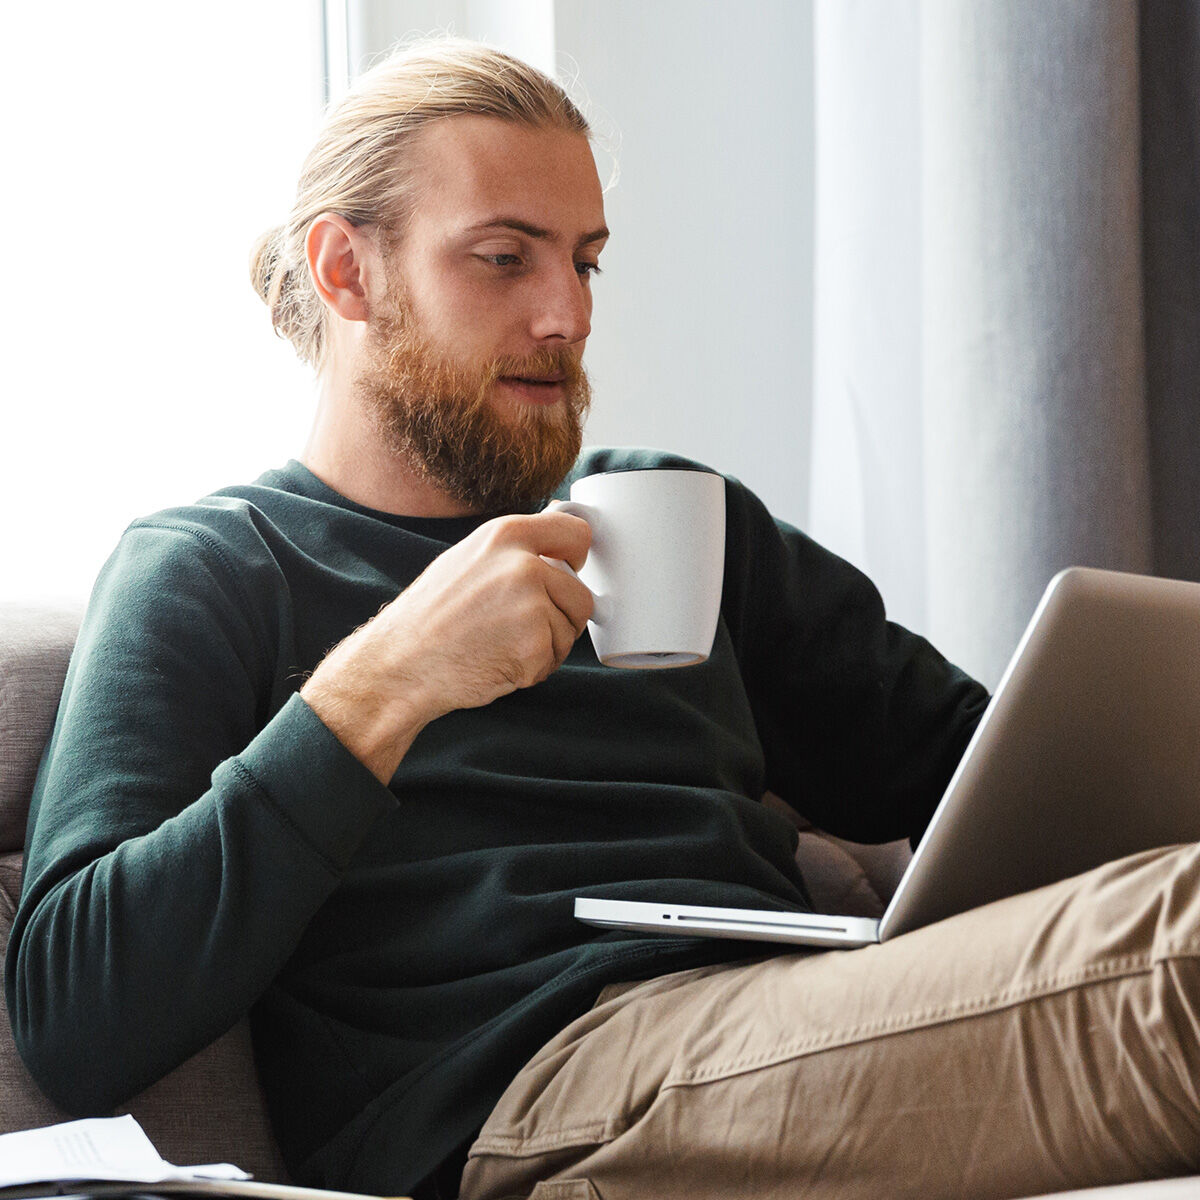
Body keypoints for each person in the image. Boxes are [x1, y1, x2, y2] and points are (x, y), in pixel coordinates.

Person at [7, 37, 1200, 1200]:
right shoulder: (217, 568)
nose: (567, 315)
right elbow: (77, 1015)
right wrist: (389, 680)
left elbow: (980, 771)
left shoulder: (668, 515)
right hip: (530, 1094)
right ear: (345, 272)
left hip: (795, 1019)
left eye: (585, 261)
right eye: (503, 258)